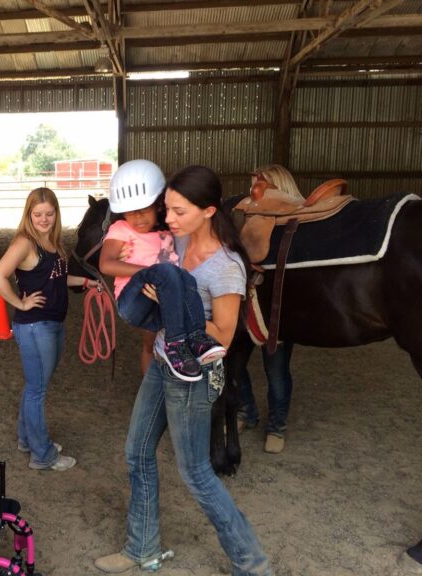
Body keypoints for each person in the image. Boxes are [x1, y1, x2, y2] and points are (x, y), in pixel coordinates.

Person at [95, 166, 273, 576]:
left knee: (195, 473)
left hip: (193, 375)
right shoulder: (176, 240)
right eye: (167, 209)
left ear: (208, 210)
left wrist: (174, 305)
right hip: (162, 362)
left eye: (178, 211)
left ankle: (252, 564)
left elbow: (224, 336)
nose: (168, 219)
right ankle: (142, 547)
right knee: (137, 452)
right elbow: (124, 260)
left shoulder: (225, 266)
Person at [0, 187, 94, 472]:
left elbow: (57, 278)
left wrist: (86, 282)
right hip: (36, 326)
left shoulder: (53, 242)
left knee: (36, 385)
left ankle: (26, 439)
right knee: (37, 390)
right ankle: (43, 455)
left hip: (53, 323)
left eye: (49, 214)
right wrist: (20, 303)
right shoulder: (25, 243)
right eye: (38, 214)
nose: (44, 219)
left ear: (56, 214)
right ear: (29, 214)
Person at [99, 159, 226, 381]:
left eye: (143, 210)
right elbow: (106, 264)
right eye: (129, 212)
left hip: (162, 299)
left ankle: (194, 340)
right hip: (134, 299)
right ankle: (179, 344)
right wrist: (152, 271)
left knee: (184, 279)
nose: (137, 217)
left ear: (158, 205)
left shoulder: (170, 230)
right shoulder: (121, 228)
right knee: (168, 272)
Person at [236, 164, 301, 455]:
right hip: (244, 306)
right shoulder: (242, 217)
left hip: (277, 311)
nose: (254, 188)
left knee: (276, 371)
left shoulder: (296, 227)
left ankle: (277, 426)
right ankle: (246, 410)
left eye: (260, 183)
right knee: (234, 364)